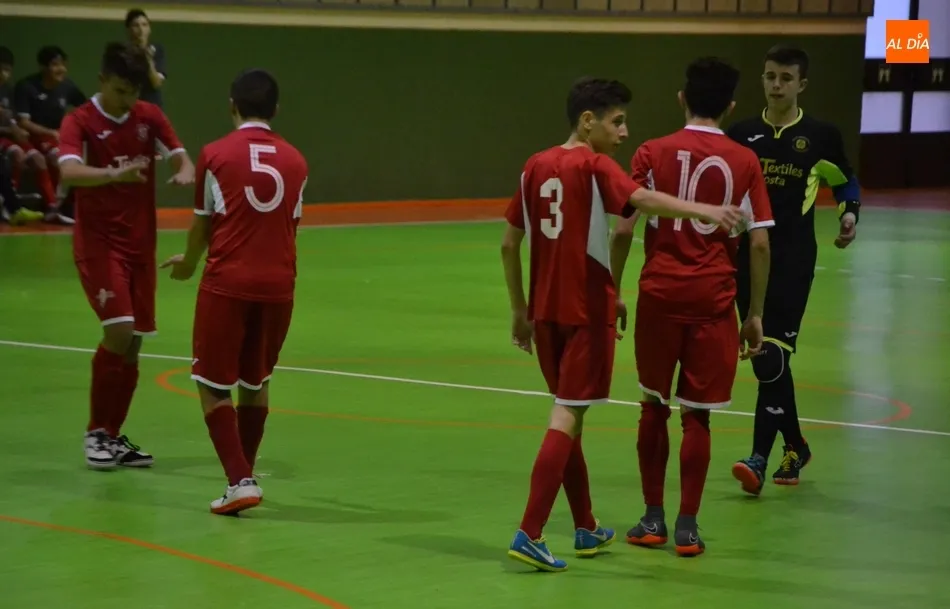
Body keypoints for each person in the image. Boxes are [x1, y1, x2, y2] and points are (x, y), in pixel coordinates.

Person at [502, 76, 746, 572]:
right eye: (617, 122)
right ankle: (530, 531)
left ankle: (585, 525)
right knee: (566, 417)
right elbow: (643, 202)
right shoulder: (595, 165)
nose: (624, 132)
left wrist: (519, 310)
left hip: (545, 315)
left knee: (569, 417)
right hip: (584, 314)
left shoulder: (534, 165)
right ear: (587, 121)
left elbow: (509, 244)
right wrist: (705, 209)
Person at [609, 57, 773, 556]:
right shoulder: (746, 161)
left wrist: (614, 289)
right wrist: (754, 313)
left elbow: (623, 229)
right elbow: (760, 243)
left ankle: (652, 518)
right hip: (713, 301)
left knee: (653, 405)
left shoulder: (651, 152)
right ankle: (687, 527)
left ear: (682, 98)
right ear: (731, 106)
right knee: (697, 415)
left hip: (660, 296)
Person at [160, 69, 308, 515]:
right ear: (276, 109)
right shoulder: (297, 161)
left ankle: (239, 480)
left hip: (228, 282)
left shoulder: (215, 154)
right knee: (256, 381)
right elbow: (291, 226)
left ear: (231, 105)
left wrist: (188, 263)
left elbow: (203, 223)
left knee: (211, 382)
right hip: (279, 285)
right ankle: (244, 474)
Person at [725, 44, 861, 495]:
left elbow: (845, 180)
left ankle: (758, 458)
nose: (777, 85)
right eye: (770, 76)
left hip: (793, 260)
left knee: (769, 355)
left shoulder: (820, 136)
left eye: (786, 78)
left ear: (801, 84)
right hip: (747, 258)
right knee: (767, 359)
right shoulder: (741, 134)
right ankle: (796, 445)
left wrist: (849, 214)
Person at [57, 41, 195, 470]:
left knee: (134, 343)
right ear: (102, 80)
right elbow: (68, 171)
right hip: (98, 243)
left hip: (140, 246)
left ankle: (113, 436)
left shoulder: (148, 116)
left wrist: (184, 169)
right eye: (120, 90)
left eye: (133, 92)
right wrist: (114, 172)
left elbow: (181, 155)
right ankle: (95, 433)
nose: (128, 100)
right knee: (118, 330)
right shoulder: (79, 120)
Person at [15, 45, 87, 224]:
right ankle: (52, 207)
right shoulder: (26, 86)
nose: (61, 69)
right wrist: (51, 132)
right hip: (28, 138)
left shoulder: (67, 86)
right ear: (43, 67)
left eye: (63, 65)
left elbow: (86, 109)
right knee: (45, 159)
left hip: (53, 139)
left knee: (65, 160)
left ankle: (71, 207)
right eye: (55, 65)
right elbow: (23, 123)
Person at [0, 45, 55, 222]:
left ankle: (52, 206)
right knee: (14, 156)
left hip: (10, 136)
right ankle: (10, 208)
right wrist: (11, 130)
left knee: (37, 158)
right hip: (4, 137)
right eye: (1, 69)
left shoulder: (8, 90)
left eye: (7, 70)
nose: (4, 74)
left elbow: (13, 119)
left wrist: (17, 130)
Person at [125, 8, 167, 108]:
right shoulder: (123, 53)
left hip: (152, 107)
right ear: (129, 29)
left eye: (144, 25)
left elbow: (156, 83)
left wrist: (148, 59)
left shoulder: (157, 51)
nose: (141, 30)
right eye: (136, 25)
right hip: (129, 107)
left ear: (149, 29)